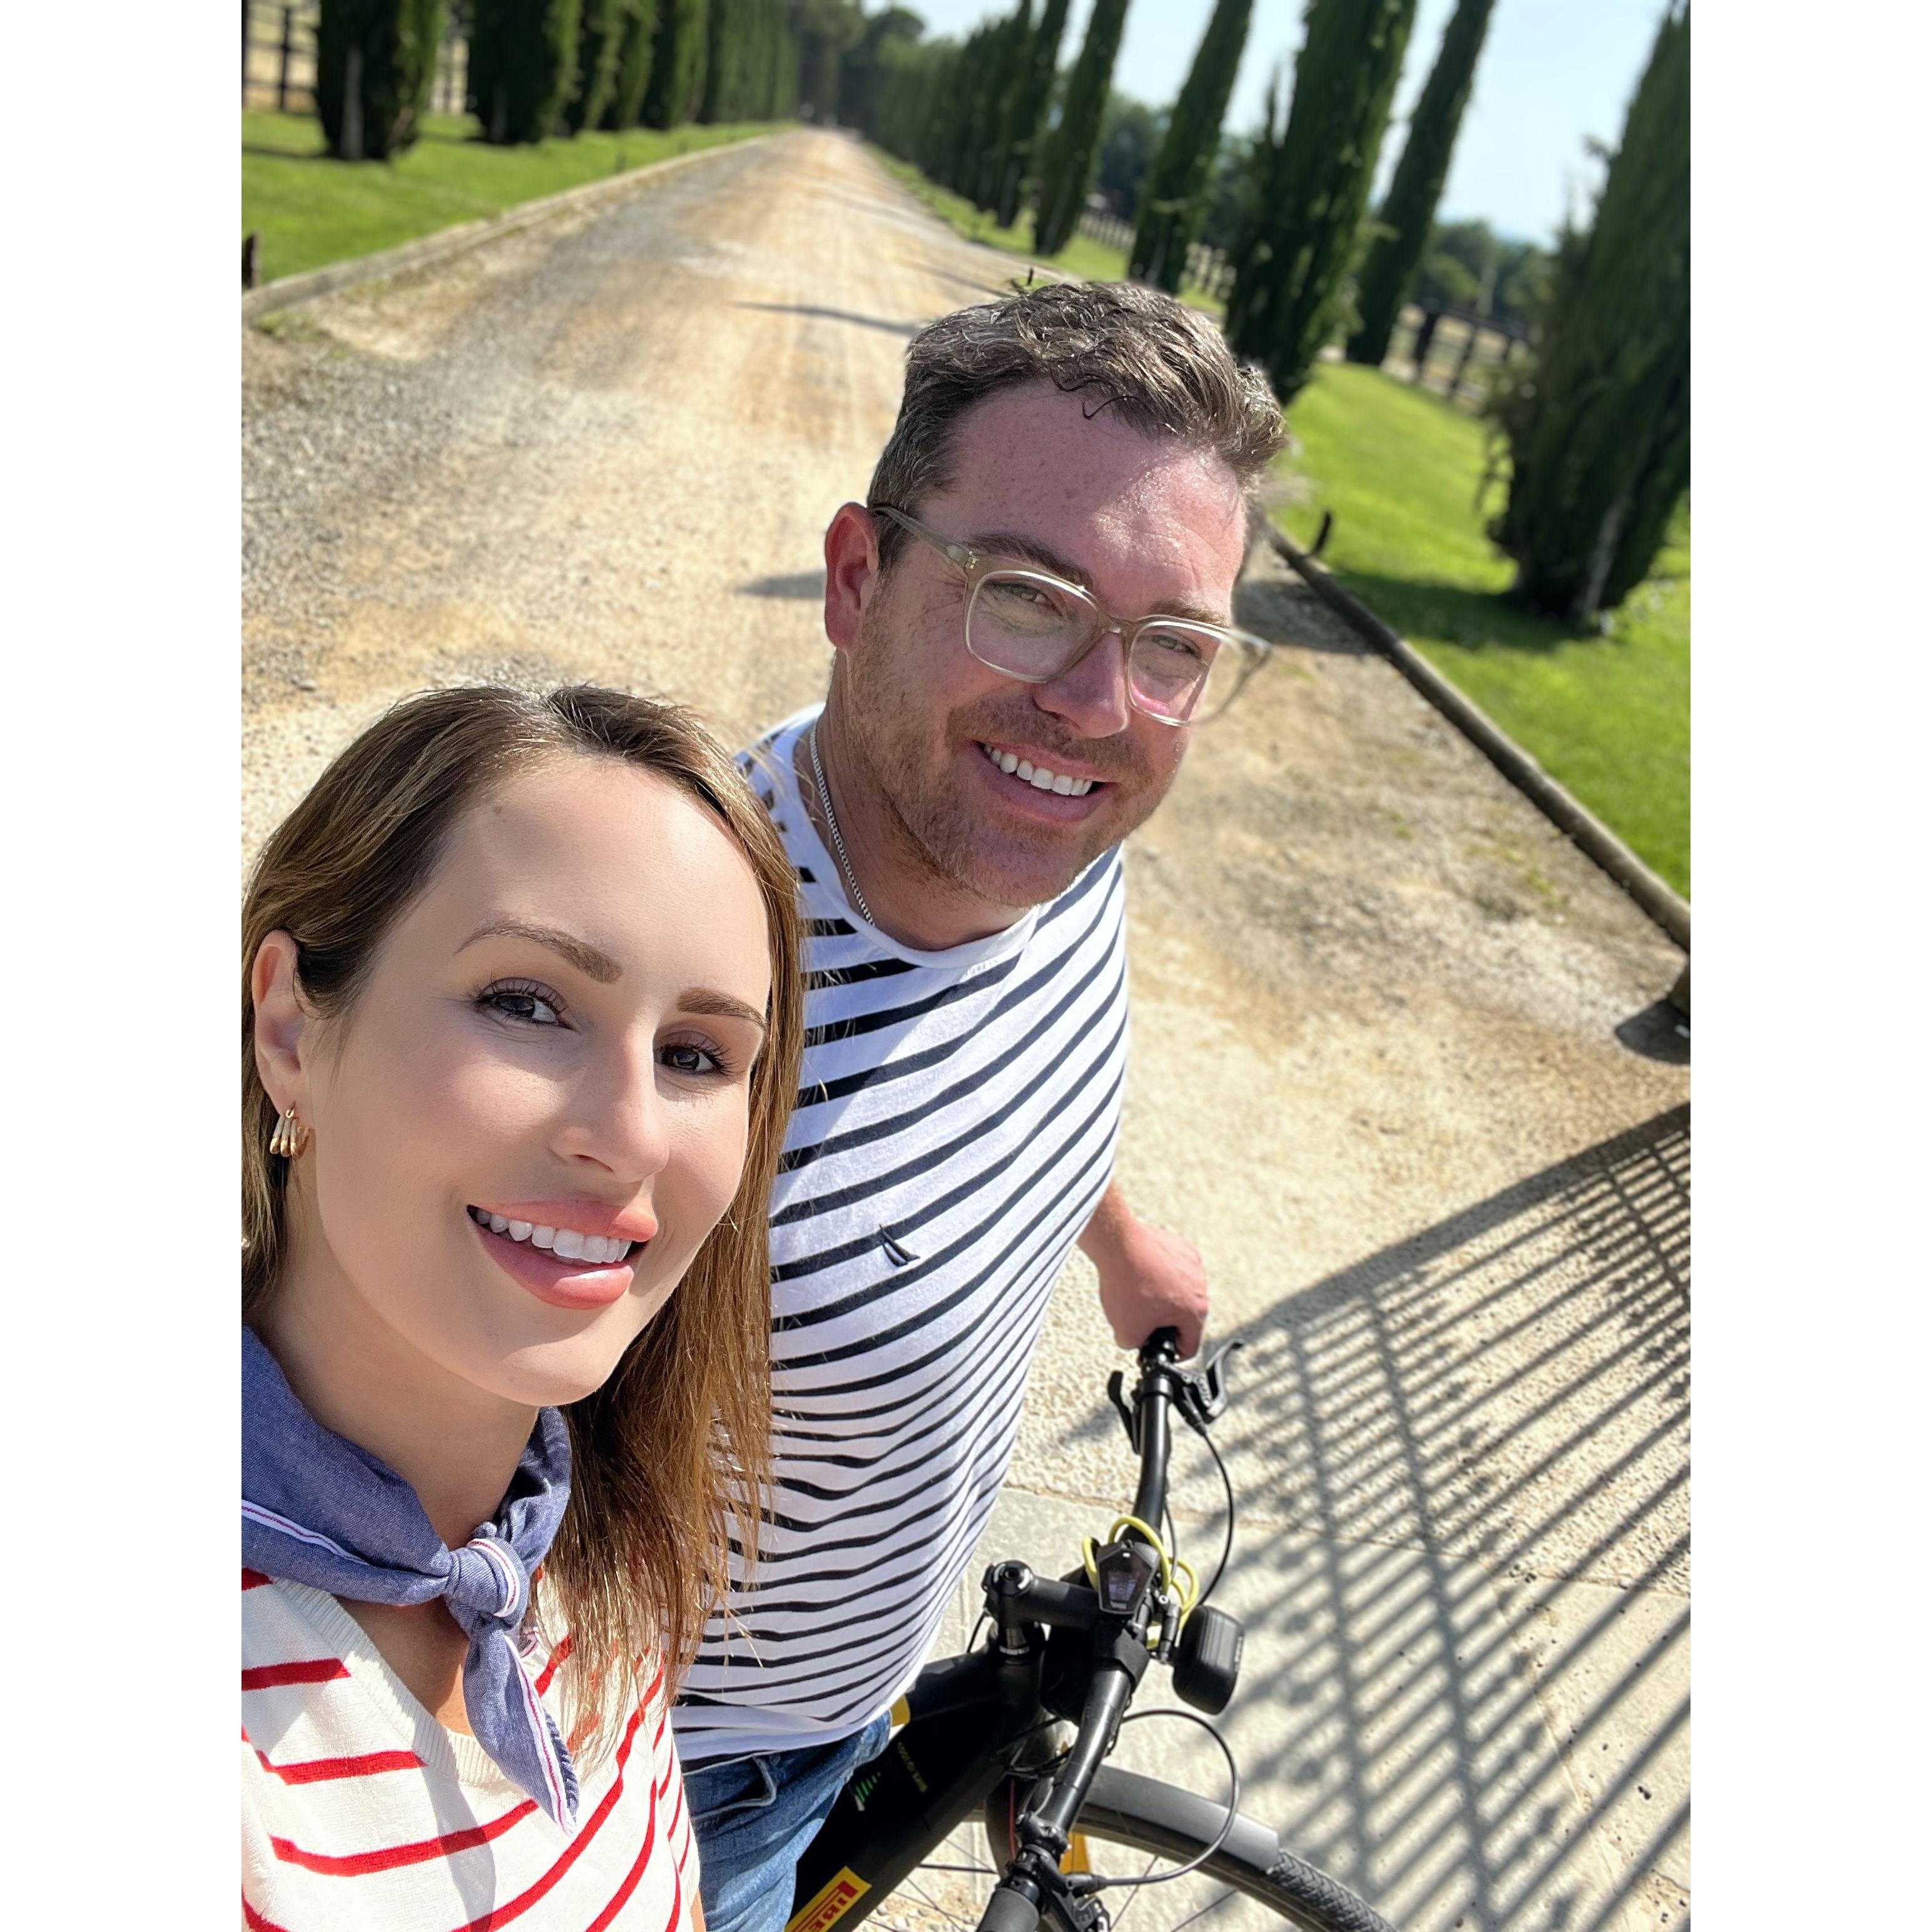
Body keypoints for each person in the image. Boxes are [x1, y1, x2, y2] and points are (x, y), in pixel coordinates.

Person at [676, 281, 1286, 1932]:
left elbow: (990, 1065)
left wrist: (1112, 1229)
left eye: (1174, 646)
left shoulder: (1042, 848)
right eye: (1028, 599)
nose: (1095, 708)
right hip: (681, 1787)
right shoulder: (673, 991)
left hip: (858, 1679)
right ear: (857, 576)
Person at [240, 685, 804, 1931]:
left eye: (697, 1053)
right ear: (289, 1027)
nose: (632, 1135)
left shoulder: (577, 1534)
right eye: (526, 1002)